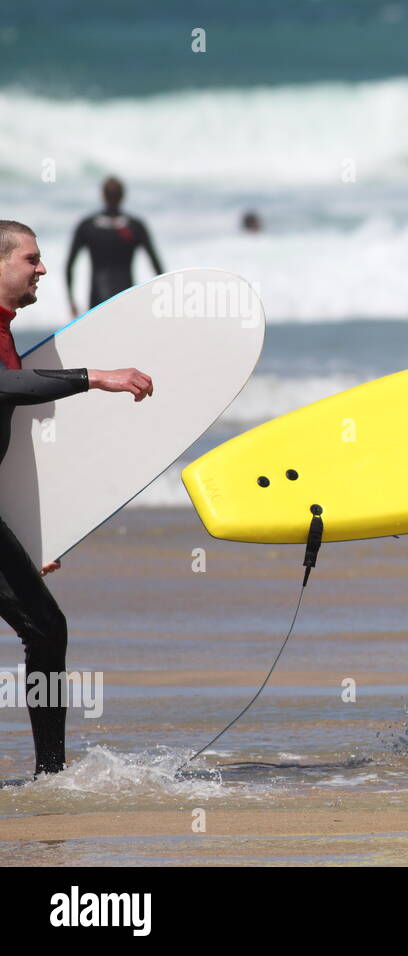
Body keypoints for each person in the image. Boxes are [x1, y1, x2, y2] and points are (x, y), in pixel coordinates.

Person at [0, 221, 153, 778]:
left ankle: (51, 772)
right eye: (31, 259)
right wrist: (95, 377)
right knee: (44, 626)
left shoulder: (5, 328)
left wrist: (34, 533)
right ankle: (51, 773)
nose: (41, 268)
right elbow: (7, 385)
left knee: (44, 626)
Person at [65, 176, 164, 318]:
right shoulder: (135, 226)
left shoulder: (87, 226)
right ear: (123, 195)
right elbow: (156, 264)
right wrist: (160, 300)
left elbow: (69, 265)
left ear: (102, 195)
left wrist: (71, 301)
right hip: (127, 297)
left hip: (97, 300)